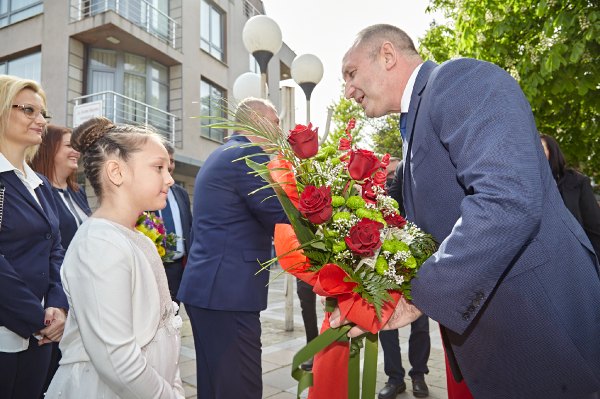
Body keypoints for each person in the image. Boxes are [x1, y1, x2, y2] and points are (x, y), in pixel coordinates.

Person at [333, 24, 600, 398]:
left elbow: (506, 199)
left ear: (388, 56)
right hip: (503, 342)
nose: (348, 90)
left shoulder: (458, 80)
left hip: (546, 336)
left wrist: (418, 296)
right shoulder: (414, 123)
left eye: (350, 72)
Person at [45, 117, 185, 398]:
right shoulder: (98, 245)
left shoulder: (138, 239)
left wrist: (175, 387)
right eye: (158, 167)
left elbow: (165, 330)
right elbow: (117, 361)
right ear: (116, 172)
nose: (169, 178)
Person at [178, 97, 288, 399]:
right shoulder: (248, 155)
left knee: (215, 385)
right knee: (241, 386)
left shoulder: (224, 153)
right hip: (227, 294)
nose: (281, 129)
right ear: (258, 121)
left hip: (212, 291)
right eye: (276, 121)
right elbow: (280, 215)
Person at [0, 75, 68, 399]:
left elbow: (55, 247)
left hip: (42, 335)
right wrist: (35, 315)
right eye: (29, 110)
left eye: (43, 114)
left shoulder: (40, 183)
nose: (40, 121)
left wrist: (58, 304)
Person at [30, 124, 92, 395]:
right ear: (49, 148)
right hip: (57, 298)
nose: (76, 151)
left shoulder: (78, 192)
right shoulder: (38, 192)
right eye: (69, 145)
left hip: (86, 295)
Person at [378, 159, 430, 399]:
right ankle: (394, 378)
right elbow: (390, 206)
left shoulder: (434, 167)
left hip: (422, 254)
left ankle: (418, 375)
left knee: (420, 321)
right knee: (387, 318)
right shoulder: (400, 171)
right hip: (392, 251)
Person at [540, 134, 600, 256]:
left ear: (553, 152)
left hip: (576, 257)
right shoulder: (526, 184)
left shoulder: (577, 182)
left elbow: (594, 227)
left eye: (540, 149)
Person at [156, 142, 192, 305]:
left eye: (172, 161)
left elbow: (189, 227)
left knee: (174, 315)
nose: (170, 165)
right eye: (165, 161)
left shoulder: (181, 193)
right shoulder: (146, 192)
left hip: (179, 268)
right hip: (154, 267)